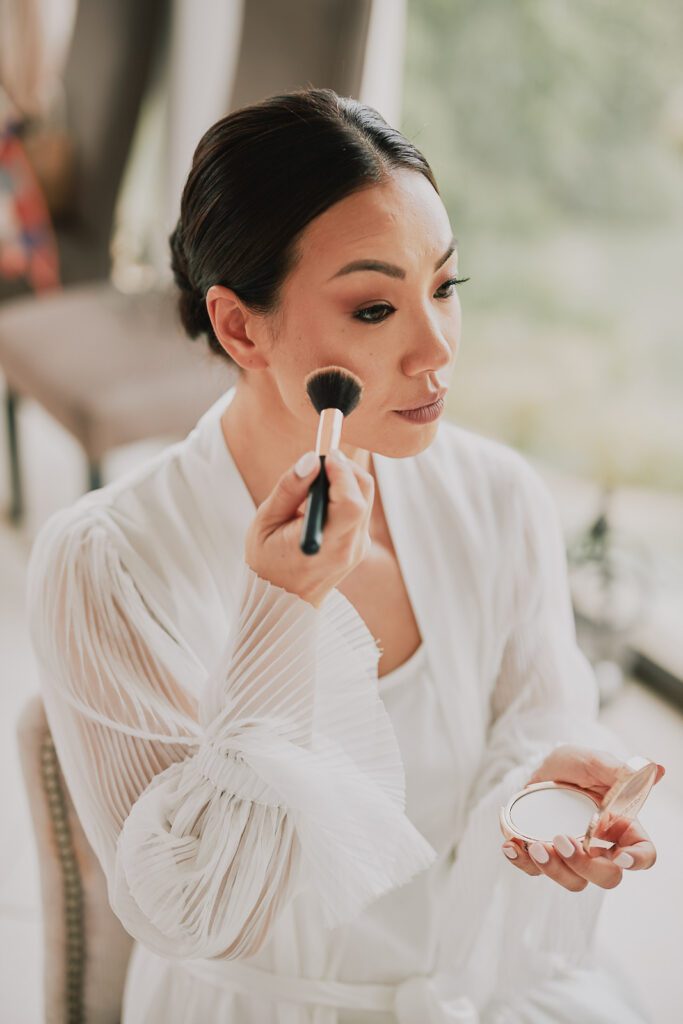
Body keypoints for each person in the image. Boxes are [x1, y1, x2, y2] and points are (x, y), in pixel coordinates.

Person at [25, 87, 662, 1023]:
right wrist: (279, 616)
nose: (435, 349)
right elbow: (195, 907)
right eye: (373, 310)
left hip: (477, 997)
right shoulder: (104, 565)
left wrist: (544, 802)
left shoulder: (497, 497)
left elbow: (532, 725)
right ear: (240, 327)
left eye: (444, 287)